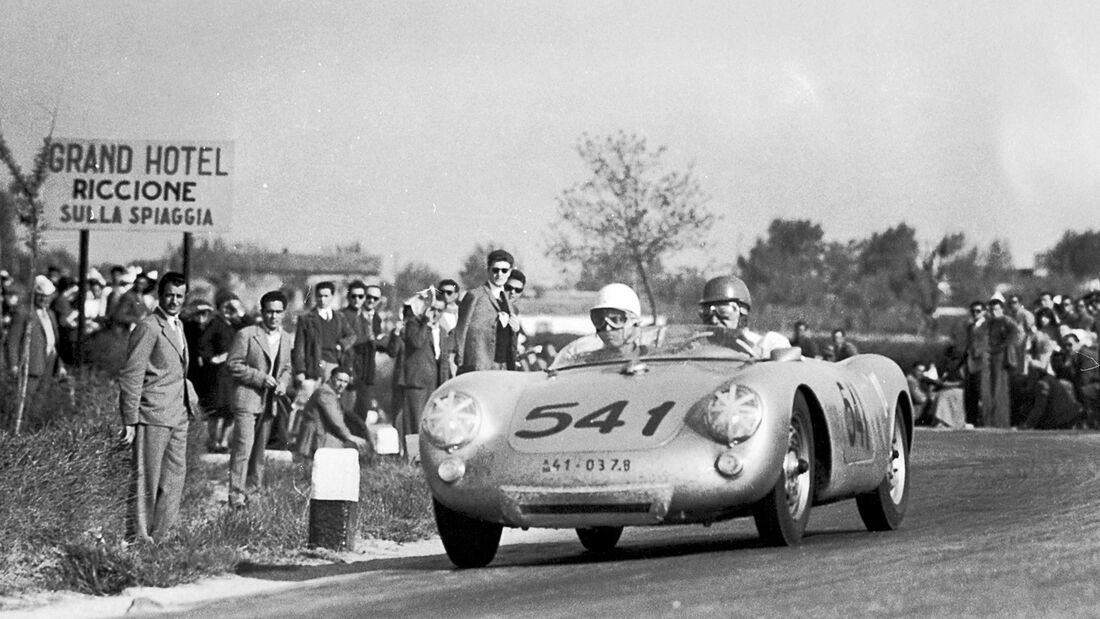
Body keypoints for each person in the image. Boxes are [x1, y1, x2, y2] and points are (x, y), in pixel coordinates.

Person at [117, 272, 199, 542]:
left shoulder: (179, 326)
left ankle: (161, 536)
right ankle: (141, 538)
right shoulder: (149, 327)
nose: (174, 301)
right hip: (152, 414)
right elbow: (132, 374)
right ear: (160, 296)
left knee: (174, 480)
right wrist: (130, 419)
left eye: (179, 296)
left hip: (178, 414)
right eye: (169, 295)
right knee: (147, 480)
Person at [226, 290, 293, 509]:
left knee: (259, 453)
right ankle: (236, 497)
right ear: (262, 312)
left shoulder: (286, 337)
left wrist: (282, 383)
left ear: (284, 313)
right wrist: (261, 378)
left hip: (269, 403)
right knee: (243, 448)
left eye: (278, 312)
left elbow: (286, 368)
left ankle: (253, 494)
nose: (273, 317)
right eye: (269, 312)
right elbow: (234, 364)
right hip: (247, 399)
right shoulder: (247, 334)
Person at [396, 294, 456, 457]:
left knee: (433, 422)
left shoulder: (442, 330)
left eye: (439, 310)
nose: (435, 314)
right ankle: (413, 456)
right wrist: (425, 323)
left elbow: (443, 360)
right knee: (415, 422)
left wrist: (445, 384)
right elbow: (416, 343)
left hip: (435, 382)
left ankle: (430, 456)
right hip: (416, 381)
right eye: (432, 309)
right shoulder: (414, 325)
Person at [6, 275, 66, 411]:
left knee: (41, 401)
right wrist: (14, 365)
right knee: (25, 401)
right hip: (30, 365)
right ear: (34, 295)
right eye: (40, 296)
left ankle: (35, 426)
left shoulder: (50, 313)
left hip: (49, 363)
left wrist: (60, 365)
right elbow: (12, 341)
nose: (44, 299)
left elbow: (55, 341)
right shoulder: (23, 313)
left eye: (47, 296)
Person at [454, 249, 516, 374]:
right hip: (479, 367)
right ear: (488, 270)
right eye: (495, 270)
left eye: (504, 270)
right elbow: (461, 330)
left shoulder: (508, 301)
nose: (499, 274)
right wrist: (461, 363)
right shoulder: (474, 296)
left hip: (504, 367)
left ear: (510, 272)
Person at [294, 366, 368, 472]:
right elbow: (335, 419)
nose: (342, 384)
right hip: (314, 437)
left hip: (321, 435)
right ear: (331, 378)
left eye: (345, 382)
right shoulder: (325, 392)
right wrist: (349, 436)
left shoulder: (331, 393)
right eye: (339, 380)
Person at [697, 275, 790, 358]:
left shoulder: (769, 344)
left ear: (742, 312)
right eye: (706, 313)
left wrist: (745, 346)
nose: (714, 320)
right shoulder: (698, 349)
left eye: (723, 311)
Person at [199, 291, 245, 452]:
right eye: (226, 306)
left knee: (231, 409)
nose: (229, 310)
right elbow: (203, 342)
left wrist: (238, 311)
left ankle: (224, 441)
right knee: (218, 409)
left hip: (233, 372)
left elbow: (249, 323)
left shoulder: (236, 324)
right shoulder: (216, 323)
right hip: (219, 372)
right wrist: (213, 358)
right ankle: (214, 441)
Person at [292, 281, 356, 390]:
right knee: (309, 400)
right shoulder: (306, 319)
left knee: (330, 399)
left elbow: (352, 335)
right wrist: (300, 371)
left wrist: (341, 345)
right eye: (319, 296)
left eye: (326, 296)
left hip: (335, 365)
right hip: (314, 365)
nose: (322, 299)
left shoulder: (339, 317)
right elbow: (299, 347)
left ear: (332, 297)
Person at [341, 281, 386, 429]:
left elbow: (379, 343)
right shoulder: (345, 315)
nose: (370, 301)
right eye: (368, 297)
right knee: (348, 409)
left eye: (375, 299)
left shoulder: (374, 318)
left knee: (362, 408)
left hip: (367, 369)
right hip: (350, 367)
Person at [985, 297, 1020, 428]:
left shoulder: (1007, 321)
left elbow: (1015, 335)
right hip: (993, 355)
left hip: (1001, 357)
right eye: (991, 309)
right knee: (993, 387)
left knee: (999, 388)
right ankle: (992, 419)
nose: (993, 312)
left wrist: (1001, 347)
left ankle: (1000, 421)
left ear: (1001, 309)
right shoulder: (991, 322)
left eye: (996, 309)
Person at [959, 300, 990, 427]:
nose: (975, 313)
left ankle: (982, 420)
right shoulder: (971, 326)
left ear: (984, 312)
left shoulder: (987, 326)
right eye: (973, 311)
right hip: (970, 361)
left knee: (980, 391)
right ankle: (971, 420)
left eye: (978, 311)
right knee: (970, 392)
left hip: (982, 361)